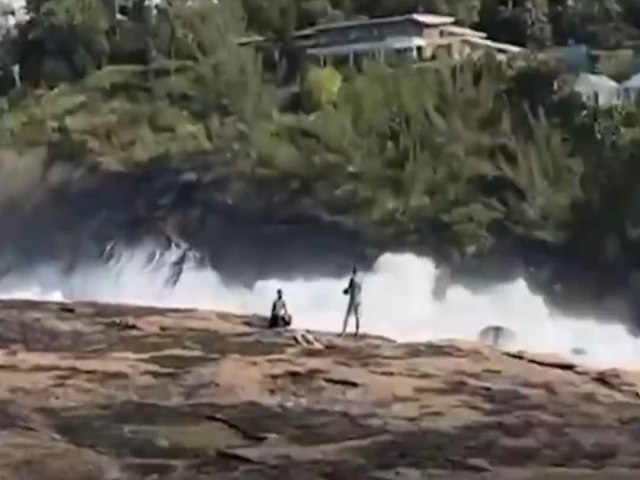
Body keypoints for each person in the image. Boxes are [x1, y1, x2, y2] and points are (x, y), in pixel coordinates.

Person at [341, 267, 362, 337]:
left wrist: (345, 291)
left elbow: (349, 290)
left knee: (347, 316)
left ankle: (343, 332)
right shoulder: (360, 281)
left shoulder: (352, 279)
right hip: (359, 300)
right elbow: (359, 290)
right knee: (357, 316)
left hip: (353, 300)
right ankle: (357, 332)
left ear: (353, 272)